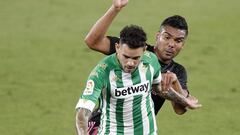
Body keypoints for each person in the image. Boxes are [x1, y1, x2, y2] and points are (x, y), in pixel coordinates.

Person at [75, 25, 201, 135]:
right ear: (117, 47)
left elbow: (159, 89)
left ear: (144, 50)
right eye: (126, 57)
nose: (130, 63)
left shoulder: (151, 61)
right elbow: (82, 113)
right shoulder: (101, 72)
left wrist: (183, 100)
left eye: (136, 58)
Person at [85, 0, 194, 115]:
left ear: (183, 45)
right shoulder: (136, 48)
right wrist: (115, 9)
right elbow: (93, 42)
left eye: (178, 40)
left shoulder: (177, 71)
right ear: (158, 36)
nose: (171, 44)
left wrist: (175, 82)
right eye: (167, 37)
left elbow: (180, 109)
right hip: (105, 124)